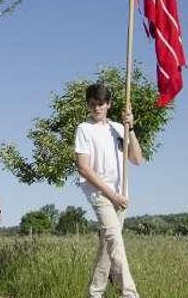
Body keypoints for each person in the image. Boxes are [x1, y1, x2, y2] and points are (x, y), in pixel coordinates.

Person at [74, 83, 143, 298]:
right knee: (115, 238)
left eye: (101, 104)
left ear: (108, 105)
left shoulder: (118, 128)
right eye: (93, 104)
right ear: (88, 105)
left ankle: (95, 293)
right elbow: (84, 168)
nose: (97, 109)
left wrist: (130, 128)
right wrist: (111, 195)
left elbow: (137, 159)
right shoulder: (84, 129)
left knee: (107, 244)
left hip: (120, 192)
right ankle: (129, 293)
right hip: (99, 192)